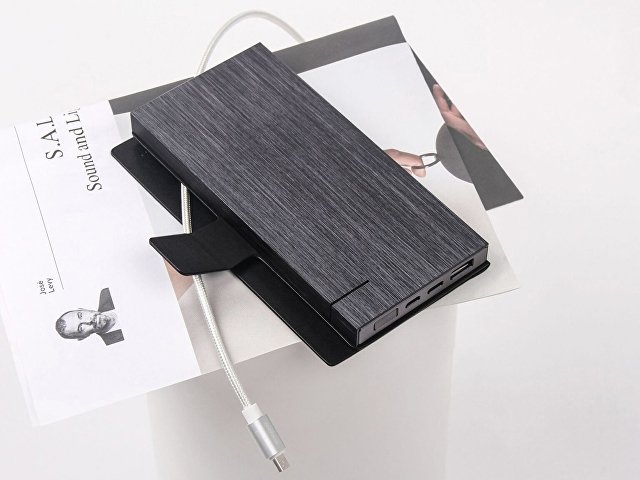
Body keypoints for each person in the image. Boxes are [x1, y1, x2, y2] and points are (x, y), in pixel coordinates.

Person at [54, 288, 123, 345]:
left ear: (83, 309)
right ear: (83, 337)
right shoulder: (114, 344)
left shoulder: (107, 293)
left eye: (80, 315)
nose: (89, 321)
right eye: (81, 328)